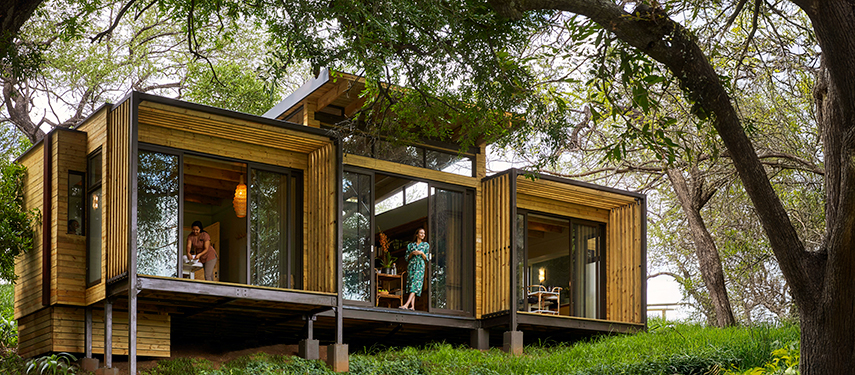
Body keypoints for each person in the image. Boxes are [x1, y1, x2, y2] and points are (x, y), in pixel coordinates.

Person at [400, 228, 429, 310]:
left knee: (415, 285)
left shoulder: (426, 245)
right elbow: (406, 258)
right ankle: (412, 306)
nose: (423, 235)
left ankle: (406, 305)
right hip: (411, 267)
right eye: (421, 233)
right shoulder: (410, 245)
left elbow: (427, 258)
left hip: (420, 267)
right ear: (417, 234)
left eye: (424, 233)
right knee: (411, 285)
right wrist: (412, 253)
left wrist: (421, 253)